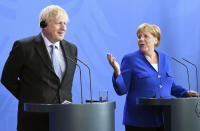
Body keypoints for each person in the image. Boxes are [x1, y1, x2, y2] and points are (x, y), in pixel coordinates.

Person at [107, 23, 198, 131]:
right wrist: (117, 71)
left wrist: (185, 93)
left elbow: (169, 85)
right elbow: (121, 89)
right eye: (139, 36)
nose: (141, 39)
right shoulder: (130, 59)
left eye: (145, 36)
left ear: (156, 40)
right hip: (138, 122)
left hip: (164, 120)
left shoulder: (165, 57)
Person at [1, 5, 77, 131]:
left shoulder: (72, 49)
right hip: (34, 120)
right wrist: (30, 97)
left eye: (65, 23)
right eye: (59, 23)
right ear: (44, 24)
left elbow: (64, 85)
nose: (64, 28)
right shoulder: (24, 47)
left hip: (64, 119)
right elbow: (7, 79)